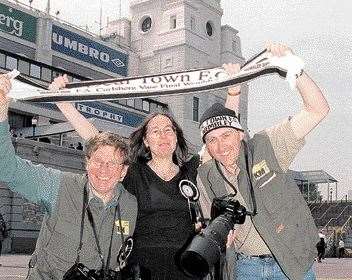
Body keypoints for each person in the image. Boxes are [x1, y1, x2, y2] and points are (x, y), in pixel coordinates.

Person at [51, 64, 241, 279]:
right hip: (142, 271)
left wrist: (233, 91)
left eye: (168, 130)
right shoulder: (133, 172)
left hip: (187, 269)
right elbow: (96, 139)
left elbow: (223, 128)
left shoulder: (192, 169)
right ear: (146, 141)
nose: (163, 135)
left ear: (176, 138)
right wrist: (64, 103)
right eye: (155, 131)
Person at [197, 43, 329, 280]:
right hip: (246, 267)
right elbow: (209, 222)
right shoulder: (207, 173)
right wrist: (233, 90)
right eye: (212, 140)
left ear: (240, 133)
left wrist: (293, 67)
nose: (221, 146)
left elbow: (317, 110)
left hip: (290, 264)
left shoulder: (266, 145)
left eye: (226, 136)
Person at [0, 74, 138, 279]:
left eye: (112, 163)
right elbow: (7, 168)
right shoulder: (58, 186)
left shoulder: (130, 204)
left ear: (123, 171)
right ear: (86, 162)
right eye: (98, 161)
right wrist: (2, 109)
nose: (103, 169)